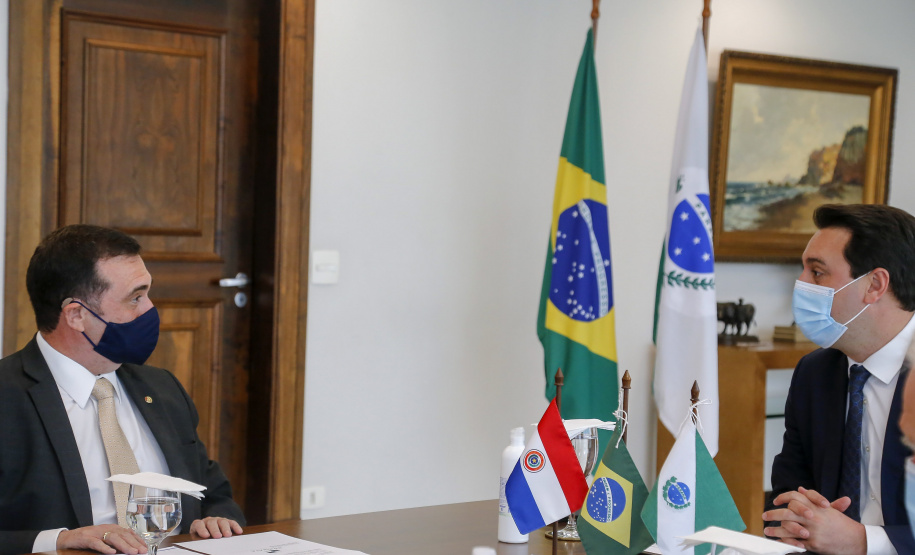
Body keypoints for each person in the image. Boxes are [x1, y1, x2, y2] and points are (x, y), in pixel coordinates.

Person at [0, 225, 244, 555]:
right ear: (76, 315)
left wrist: (217, 519)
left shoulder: (161, 387)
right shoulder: (7, 396)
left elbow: (213, 491)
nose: (150, 309)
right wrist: (59, 540)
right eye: (135, 297)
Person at [763, 204, 915, 554]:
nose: (800, 284)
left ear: (874, 285)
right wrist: (797, 522)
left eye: (817, 273)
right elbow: (786, 495)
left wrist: (864, 542)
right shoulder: (814, 373)